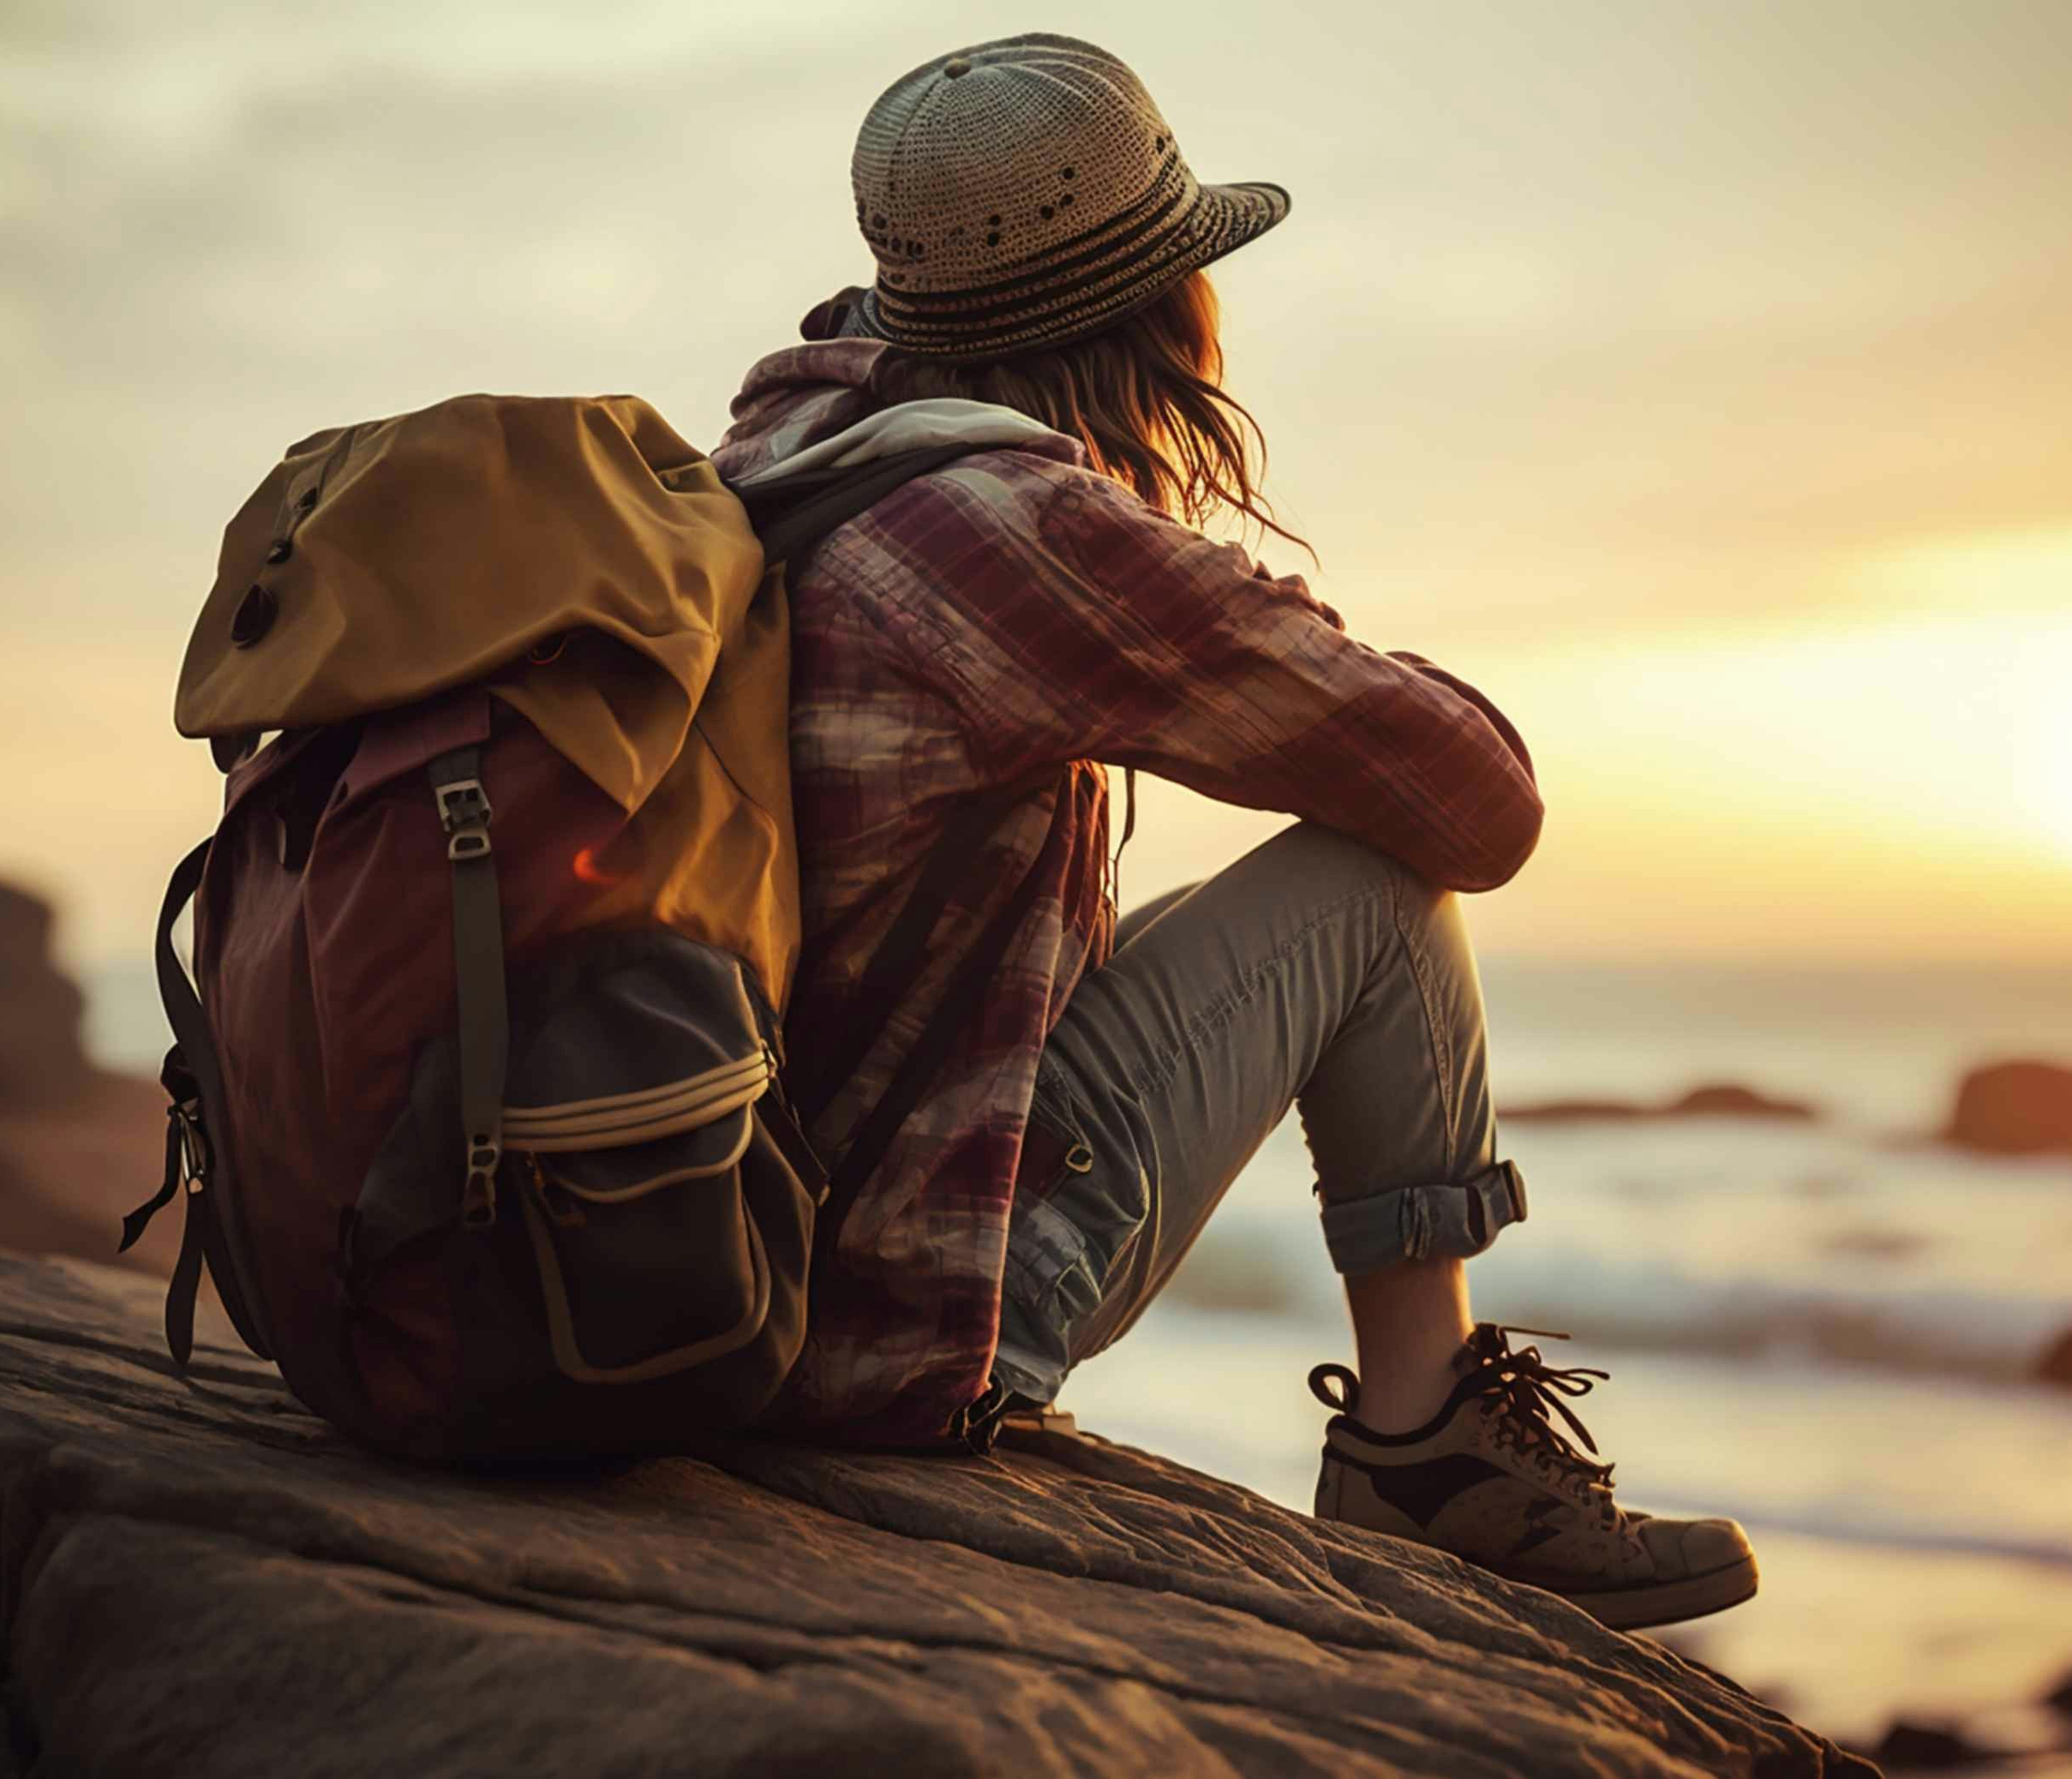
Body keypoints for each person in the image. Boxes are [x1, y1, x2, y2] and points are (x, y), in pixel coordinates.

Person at [708, 33, 1757, 1631]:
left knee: (1266, 892)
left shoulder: (787, 452)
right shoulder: (1025, 531)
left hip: (730, 1243)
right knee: (1373, 883)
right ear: (1152, 306)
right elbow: (1476, 803)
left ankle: (1429, 1443)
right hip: (892, 1313)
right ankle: (1425, 1446)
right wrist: (1237, 594)